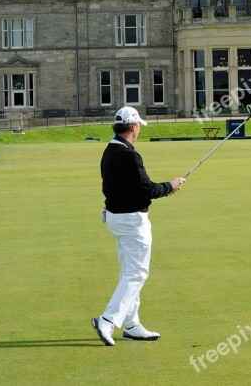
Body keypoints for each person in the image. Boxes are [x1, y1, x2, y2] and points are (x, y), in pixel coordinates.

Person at [92, 106, 186, 346]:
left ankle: (131, 324)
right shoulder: (129, 155)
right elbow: (147, 189)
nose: (139, 131)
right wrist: (170, 186)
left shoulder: (110, 150)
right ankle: (108, 319)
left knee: (129, 272)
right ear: (133, 127)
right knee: (137, 273)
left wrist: (164, 189)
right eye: (138, 127)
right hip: (131, 220)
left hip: (116, 217)